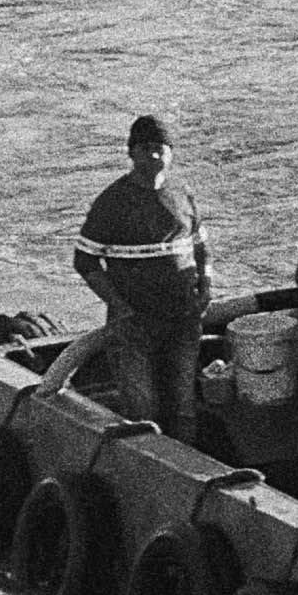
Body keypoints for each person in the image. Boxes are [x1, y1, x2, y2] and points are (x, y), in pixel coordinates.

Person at [74, 114, 209, 442]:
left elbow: (201, 244)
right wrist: (118, 305)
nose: (153, 156)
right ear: (131, 154)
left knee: (183, 405)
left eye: (160, 148)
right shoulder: (111, 203)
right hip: (134, 324)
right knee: (141, 409)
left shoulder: (182, 193)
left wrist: (205, 284)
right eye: (145, 148)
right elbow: (85, 261)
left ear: (171, 153)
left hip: (183, 318)